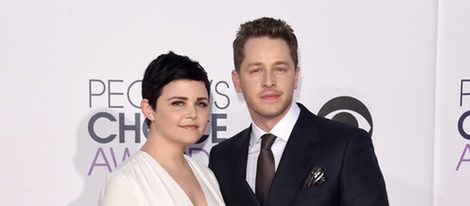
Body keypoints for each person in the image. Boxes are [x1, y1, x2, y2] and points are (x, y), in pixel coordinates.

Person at [209, 17, 389, 206]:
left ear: (295, 76)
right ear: (237, 81)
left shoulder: (345, 145)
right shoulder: (223, 158)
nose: (269, 81)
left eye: (279, 69)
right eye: (256, 70)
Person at [99, 51, 225, 206]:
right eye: (178, 103)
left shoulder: (207, 176)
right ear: (148, 109)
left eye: (201, 104)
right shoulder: (126, 181)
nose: (193, 113)